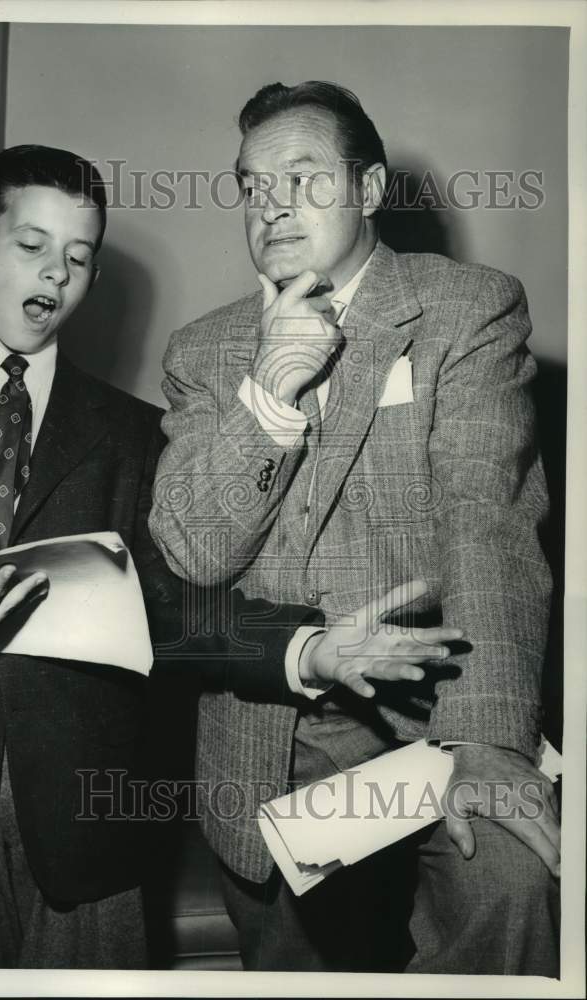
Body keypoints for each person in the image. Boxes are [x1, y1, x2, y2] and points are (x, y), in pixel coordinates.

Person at [0, 144, 408, 969]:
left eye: (77, 257)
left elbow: (172, 607)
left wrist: (306, 648)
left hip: (89, 839)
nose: (55, 275)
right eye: (30, 246)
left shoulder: (133, 431)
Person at [148, 81, 560, 974]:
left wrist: (486, 742)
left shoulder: (466, 309)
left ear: (370, 190)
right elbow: (192, 556)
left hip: (440, 716)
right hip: (271, 746)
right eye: (252, 186)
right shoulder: (205, 351)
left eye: (302, 177)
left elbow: (485, 527)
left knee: (513, 894)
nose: (271, 206)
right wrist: (269, 396)